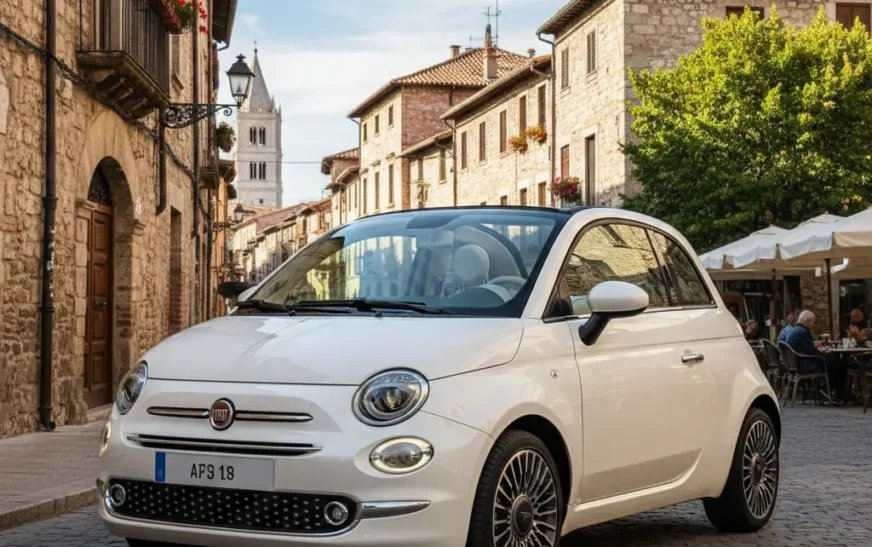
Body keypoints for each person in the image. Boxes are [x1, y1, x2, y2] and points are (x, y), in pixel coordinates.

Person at [785, 311, 847, 402]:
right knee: (839, 366)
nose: (814, 325)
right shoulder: (803, 332)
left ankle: (827, 390)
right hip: (806, 365)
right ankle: (837, 394)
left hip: (798, 363)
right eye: (813, 322)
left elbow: (806, 347)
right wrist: (825, 354)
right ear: (807, 321)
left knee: (833, 363)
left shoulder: (794, 330)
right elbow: (813, 351)